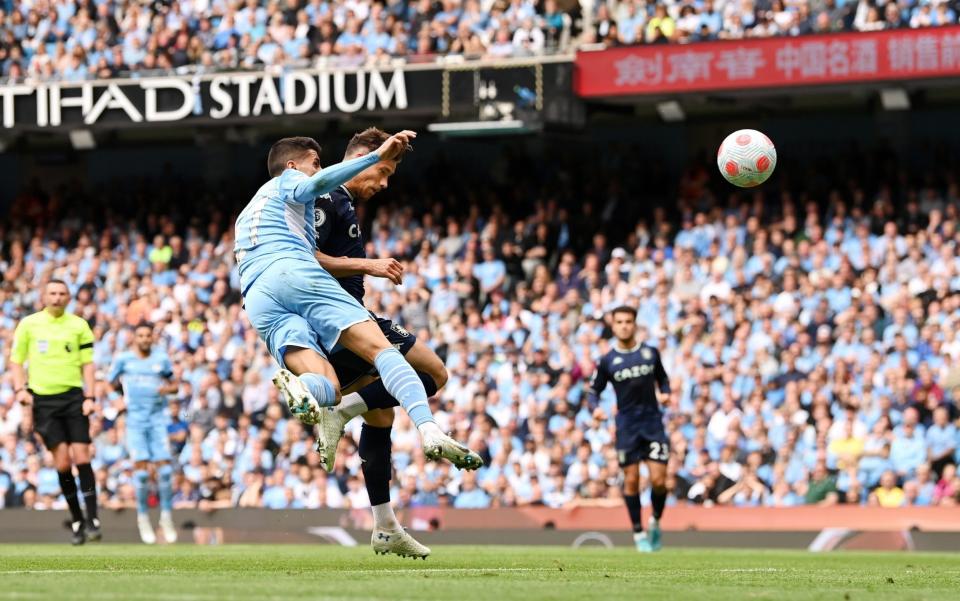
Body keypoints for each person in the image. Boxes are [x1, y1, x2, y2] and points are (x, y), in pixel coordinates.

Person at [233, 134, 481, 480]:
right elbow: (316, 184)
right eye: (315, 162)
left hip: (258, 296)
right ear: (291, 166)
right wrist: (375, 155)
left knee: (328, 389)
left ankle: (304, 390)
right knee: (386, 352)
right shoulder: (290, 183)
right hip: (294, 273)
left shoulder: (250, 212)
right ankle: (429, 428)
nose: (319, 169)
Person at [309, 127, 449, 558]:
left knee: (382, 415)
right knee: (433, 371)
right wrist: (366, 264)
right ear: (363, 159)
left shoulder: (344, 201)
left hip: (350, 316)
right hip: (342, 319)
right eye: (383, 171)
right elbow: (303, 255)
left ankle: (385, 525)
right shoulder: (328, 198)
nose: (384, 184)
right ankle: (341, 409)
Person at [10, 279, 101, 545]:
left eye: (62, 293)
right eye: (52, 293)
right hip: (44, 401)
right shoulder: (29, 324)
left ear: (69, 297)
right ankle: (77, 520)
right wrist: (20, 390)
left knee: (82, 457)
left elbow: (88, 365)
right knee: (62, 463)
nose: (57, 297)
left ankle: (93, 517)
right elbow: (16, 361)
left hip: (73, 397)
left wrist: (90, 396)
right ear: (44, 295)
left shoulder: (79, 325)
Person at [588, 306, 671, 553]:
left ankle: (655, 520)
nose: (624, 326)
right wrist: (595, 409)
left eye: (628, 321)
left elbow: (663, 378)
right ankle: (638, 533)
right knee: (632, 481)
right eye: (620, 322)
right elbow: (594, 391)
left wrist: (665, 393)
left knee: (659, 480)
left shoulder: (650, 353)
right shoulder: (607, 360)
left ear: (635, 324)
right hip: (627, 427)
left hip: (652, 423)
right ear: (613, 326)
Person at [106, 323, 179, 544]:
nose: (145, 338)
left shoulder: (161, 359)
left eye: (148, 335)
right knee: (142, 473)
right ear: (134, 338)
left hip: (157, 421)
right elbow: (108, 384)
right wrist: (116, 400)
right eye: (141, 335)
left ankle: (166, 517)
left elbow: (175, 385)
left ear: (152, 338)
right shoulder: (124, 360)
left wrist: (166, 389)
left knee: (165, 471)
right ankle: (143, 517)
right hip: (135, 422)